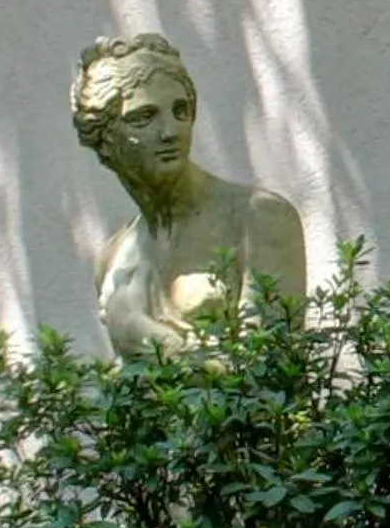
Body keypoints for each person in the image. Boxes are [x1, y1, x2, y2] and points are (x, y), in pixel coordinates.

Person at [69, 33, 306, 357]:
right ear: (105, 138)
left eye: (180, 111)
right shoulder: (114, 257)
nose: (170, 132)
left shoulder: (257, 219)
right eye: (143, 117)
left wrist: (143, 336)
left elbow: (268, 378)